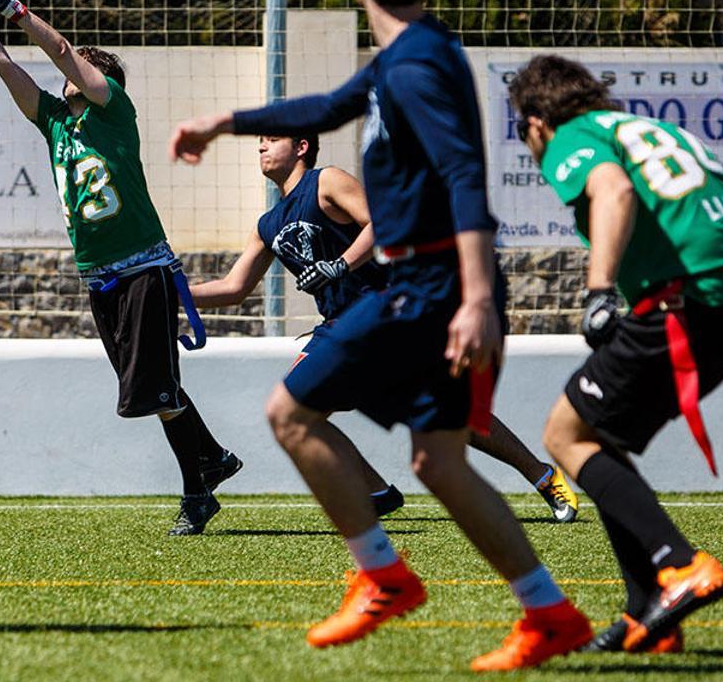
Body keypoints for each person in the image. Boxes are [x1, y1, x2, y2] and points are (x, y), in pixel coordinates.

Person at [168, 0, 591, 671]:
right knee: (440, 461)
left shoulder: (416, 67)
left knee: (290, 411)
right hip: (432, 285)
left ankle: (383, 575)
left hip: (425, 287)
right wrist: (225, 120)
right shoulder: (412, 53)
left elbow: (464, 177)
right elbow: (324, 108)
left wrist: (476, 298)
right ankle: (549, 612)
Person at [0, 0, 239, 536]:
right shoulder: (55, 124)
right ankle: (211, 458)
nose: (67, 74)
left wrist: (13, 9)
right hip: (99, 277)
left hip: (143, 269)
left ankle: (198, 491)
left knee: (157, 391)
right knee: (151, 390)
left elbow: (63, 51)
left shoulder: (114, 111)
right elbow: (2, 62)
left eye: (81, 71)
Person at [507, 54, 723, 652]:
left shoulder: (572, 136)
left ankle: (681, 564)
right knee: (600, 436)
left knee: (565, 434)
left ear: (537, 121)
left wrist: (598, 291)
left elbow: (613, 191)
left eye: (525, 133)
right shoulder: (657, 133)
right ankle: (647, 611)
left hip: (685, 300)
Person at [190, 133, 581, 522]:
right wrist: (171, 293)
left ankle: (543, 476)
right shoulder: (267, 224)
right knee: (294, 411)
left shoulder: (326, 182)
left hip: (385, 313)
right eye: (260, 140)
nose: (261, 146)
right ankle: (377, 493)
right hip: (338, 329)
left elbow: (381, 223)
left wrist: (340, 264)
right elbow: (234, 288)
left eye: (272, 139)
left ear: (301, 147)